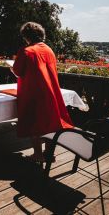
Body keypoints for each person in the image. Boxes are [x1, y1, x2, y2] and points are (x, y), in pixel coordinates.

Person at [12, 22, 74, 163]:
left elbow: (18, 71)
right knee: (50, 123)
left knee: (35, 125)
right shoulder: (49, 50)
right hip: (51, 92)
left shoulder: (26, 51)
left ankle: (38, 155)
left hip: (33, 93)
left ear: (27, 37)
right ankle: (49, 154)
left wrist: (12, 68)